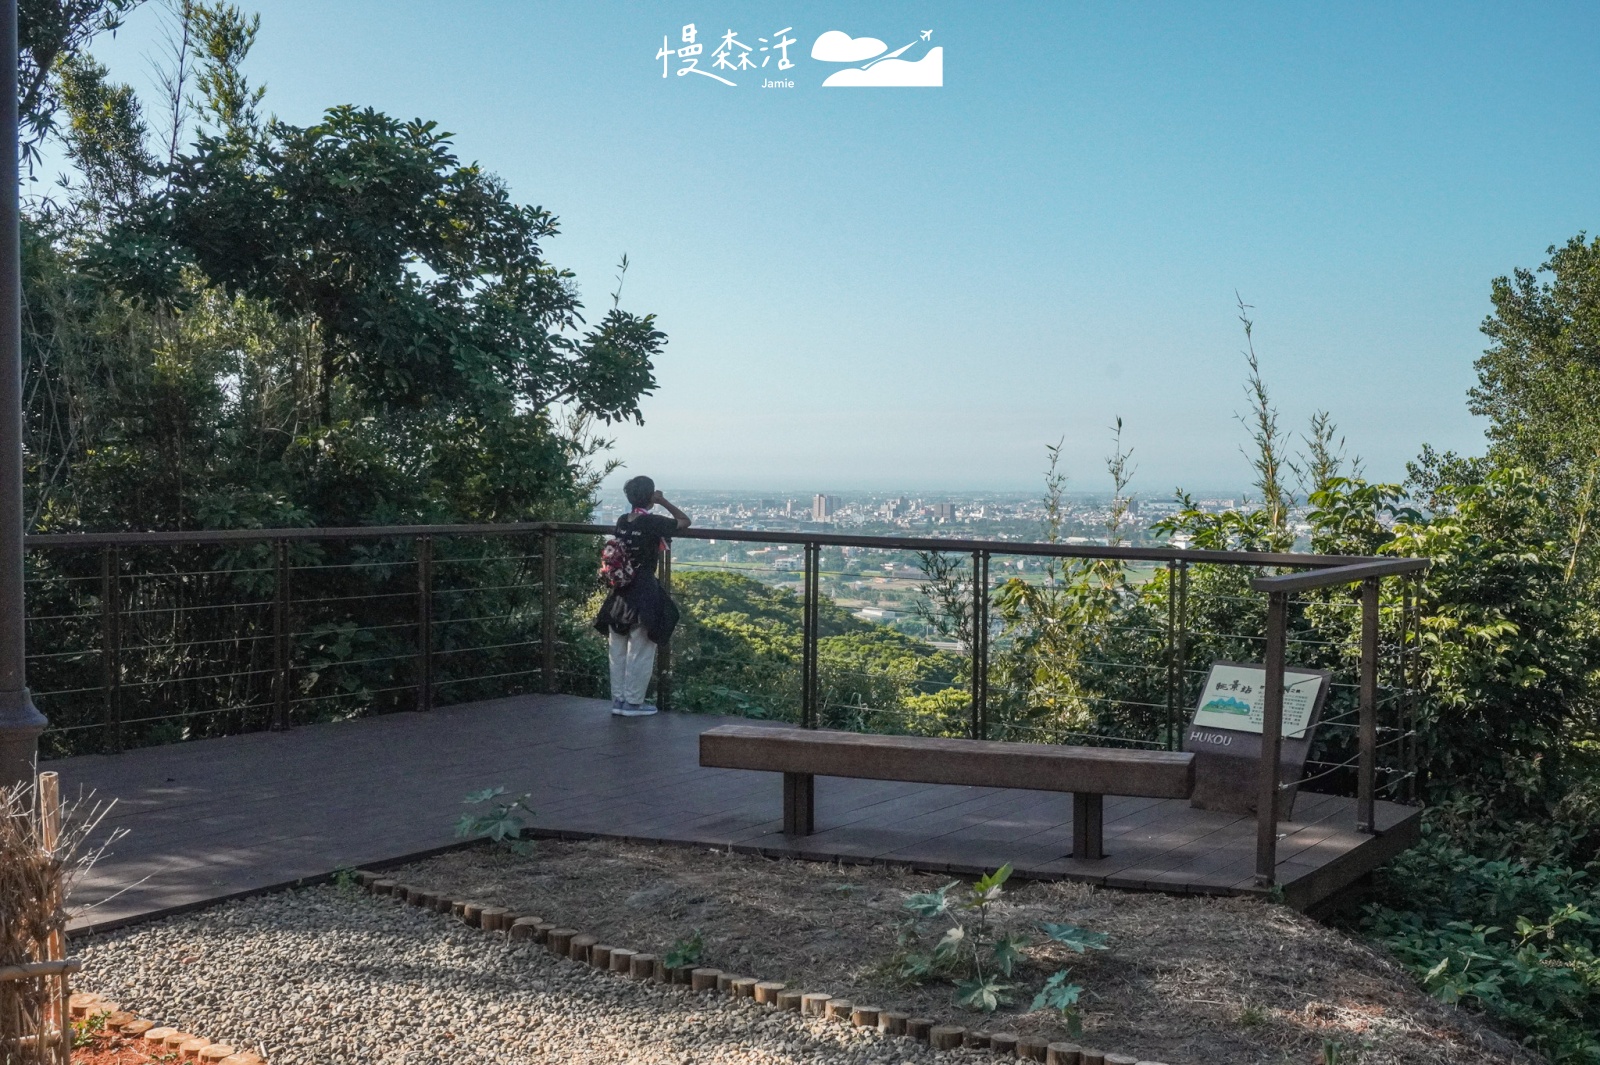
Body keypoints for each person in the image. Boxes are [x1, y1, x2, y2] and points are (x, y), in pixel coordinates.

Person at [593, 476, 690, 716]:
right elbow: (684, 521)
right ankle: (634, 703)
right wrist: (663, 500)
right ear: (649, 497)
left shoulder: (622, 521)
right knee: (641, 647)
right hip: (644, 589)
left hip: (620, 591)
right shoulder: (652, 522)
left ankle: (619, 701)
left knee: (617, 647)